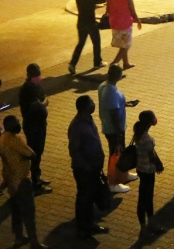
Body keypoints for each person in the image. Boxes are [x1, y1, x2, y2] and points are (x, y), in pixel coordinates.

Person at [68, 95, 108, 240]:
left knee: (90, 198)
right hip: (85, 169)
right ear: (85, 107)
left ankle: (90, 224)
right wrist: (85, 166)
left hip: (94, 167)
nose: (93, 105)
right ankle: (82, 229)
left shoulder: (88, 120)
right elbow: (74, 150)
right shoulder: (77, 126)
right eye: (91, 103)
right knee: (84, 199)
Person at [1, 115, 44, 249]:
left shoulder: (2, 139)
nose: (19, 125)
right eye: (17, 123)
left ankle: (19, 238)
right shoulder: (14, 139)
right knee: (29, 212)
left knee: (16, 211)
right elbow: (31, 154)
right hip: (22, 179)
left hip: (11, 180)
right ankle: (34, 242)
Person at [98, 64, 138, 193]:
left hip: (112, 127)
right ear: (117, 76)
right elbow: (114, 113)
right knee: (115, 154)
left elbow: (113, 105)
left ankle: (124, 174)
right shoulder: (111, 91)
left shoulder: (104, 85)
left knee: (121, 153)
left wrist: (126, 104)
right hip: (114, 129)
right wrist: (119, 133)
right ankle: (113, 182)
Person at [132, 110, 165, 237]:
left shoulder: (138, 131)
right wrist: (159, 164)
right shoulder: (147, 138)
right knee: (146, 199)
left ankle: (148, 224)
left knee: (144, 197)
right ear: (150, 121)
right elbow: (152, 155)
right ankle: (145, 227)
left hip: (141, 168)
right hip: (148, 171)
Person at [17, 65, 49, 191]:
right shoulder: (26, 90)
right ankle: (35, 182)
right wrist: (42, 104)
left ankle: (37, 177)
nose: (39, 78)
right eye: (37, 76)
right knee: (34, 153)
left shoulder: (36, 87)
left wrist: (42, 103)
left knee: (39, 152)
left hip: (40, 125)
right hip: (33, 127)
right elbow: (37, 105)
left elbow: (44, 99)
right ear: (31, 76)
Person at [69, 0, 106, 75]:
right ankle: (97, 62)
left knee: (80, 44)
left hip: (81, 23)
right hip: (91, 24)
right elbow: (102, 0)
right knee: (96, 43)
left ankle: (72, 63)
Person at [107, 0, 141, 69]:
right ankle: (114, 63)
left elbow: (108, 9)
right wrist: (138, 21)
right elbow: (133, 12)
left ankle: (126, 63)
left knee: (123, 44)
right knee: (126, 45)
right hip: (125, 25)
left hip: (114, 24)